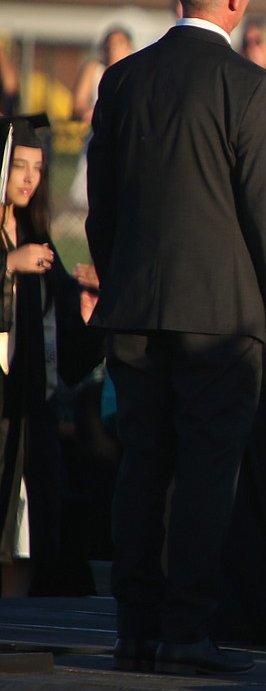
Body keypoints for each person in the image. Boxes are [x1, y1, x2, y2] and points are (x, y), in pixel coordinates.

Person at [85, 0, 266, 675]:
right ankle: (185, 630)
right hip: (220, 314)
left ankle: (134, 630)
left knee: (141, 466)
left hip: (136, 306)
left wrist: (118, 282)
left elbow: (101, 208)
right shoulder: (247, 87)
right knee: (208, 472)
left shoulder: (122, 81)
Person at [0, 114, 102, 597]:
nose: (29, 179)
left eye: (38, 169)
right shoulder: (18, 249)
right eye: (19, 165)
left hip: (30, 417)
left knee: (23, 533)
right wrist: (6, 267)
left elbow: (73, 357)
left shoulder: (38, 241)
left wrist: (91, 311)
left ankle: (13, 629)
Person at [69, 27, 134, 208]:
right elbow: (77, 104)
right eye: (109, 45)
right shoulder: (95, 69)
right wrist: (90, 113)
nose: (112, 50)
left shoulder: (134, 70)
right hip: (97, 137)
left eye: (118, 45)